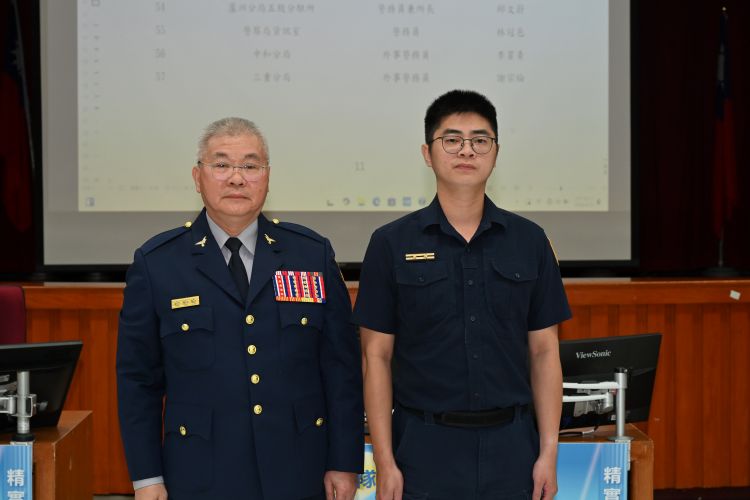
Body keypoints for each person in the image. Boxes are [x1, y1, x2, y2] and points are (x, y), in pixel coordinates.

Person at [116, 117, 363, 500]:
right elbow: (138, 381)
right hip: (200, 476)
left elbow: (341, 368)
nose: (236, 178)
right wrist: (147, 479)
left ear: (267, 176)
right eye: (221, 165)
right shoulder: (158, 264)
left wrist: (344, 462)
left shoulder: (311, 254)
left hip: (299, 471)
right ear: (197, 177)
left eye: (250, 166)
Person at [353, 90, 571, 500]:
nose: (466, 150)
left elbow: (544, 351)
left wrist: (548, 451)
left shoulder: (530, 241)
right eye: (452, 139)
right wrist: (385, 461)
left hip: (513, 449)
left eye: (480, 140)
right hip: (423, 450)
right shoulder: (390, 243)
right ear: (427, 153)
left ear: (496, 153)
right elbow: (375, 357)